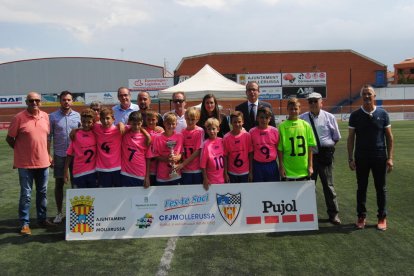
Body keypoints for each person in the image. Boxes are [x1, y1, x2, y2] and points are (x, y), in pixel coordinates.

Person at [6, 92, 54, 235]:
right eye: (31, 100)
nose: (34, 103)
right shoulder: (18, 118)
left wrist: (48, 154)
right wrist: (21, 150)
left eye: (37, 100)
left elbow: (46, 138)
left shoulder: (45, 116)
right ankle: (24, 224)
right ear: (26, 102)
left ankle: (42, 219)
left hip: (43, 163)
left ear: (41, 102)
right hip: (25, 164)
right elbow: (10, 139)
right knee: (26, 194)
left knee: (42, 192)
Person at [347, 84, 394, 231]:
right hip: (361, 156)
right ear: (362, 97)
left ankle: (382, 217)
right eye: (365, 94)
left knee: (381, 188)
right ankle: (361, 216)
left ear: (374, 96)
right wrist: (350, 158)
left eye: (370, 94)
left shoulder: (383, 114)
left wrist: (390, 158)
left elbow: (389, 137)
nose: (367, 96)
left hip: (380, 155)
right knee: (361, 188)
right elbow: (350, 138)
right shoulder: (355, 115)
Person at [300, 92, 342, 225]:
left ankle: (333, 214)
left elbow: (336, 137)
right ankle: (306, 214)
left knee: (328, 186)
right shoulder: (302, 118)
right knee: (307, 187)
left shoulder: (329, 117)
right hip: (308, 157)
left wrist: (327, 149)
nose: (312, 104)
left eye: (315, 101)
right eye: (310, 101)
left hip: (325, 156)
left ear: (321, 102)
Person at [48, 90, 81, 224]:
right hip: (60, 155)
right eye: (63, 100)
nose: (66, 102)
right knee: (59, 184)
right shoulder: (53, 117)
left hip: (76, 156)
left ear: (72, 101)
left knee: (75, 183)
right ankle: (59, 213)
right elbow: (48, 137)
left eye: (68, 99)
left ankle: (76, 213)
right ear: (60, 101)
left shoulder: (78, 116)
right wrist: (48, 154)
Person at [278, 98, 316, 181]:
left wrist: (310, 166)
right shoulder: (282, 126)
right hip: (288, 170)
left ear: (299, 109)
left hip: (303, 169)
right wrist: (281, 166)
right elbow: (280, 149)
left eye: (296, 109)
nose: (293, 111)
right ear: (287, 109)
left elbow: (310, 147)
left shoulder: (306, 125)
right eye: (291, 109)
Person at [64, 108, 97, 188]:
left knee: (93, 198)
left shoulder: (96, 133)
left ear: (93, 122)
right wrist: (65, 170)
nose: (86, 124)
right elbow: (69, 154)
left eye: (89, 122)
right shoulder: (76, 134)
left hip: (93, 172)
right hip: (79, 172)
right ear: (81, 121)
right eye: (84, 122)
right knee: (80, 198)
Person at [148, 112, 183, 185]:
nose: (170, 126)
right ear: (164, 123)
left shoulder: (180, 136)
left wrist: (178, 157)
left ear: (176, 124)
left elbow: (181, 152)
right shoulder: (157, 137)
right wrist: (166, 159)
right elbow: (155, 155)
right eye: (168, 123)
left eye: (173, 124)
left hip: (176, 173)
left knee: (176, 195)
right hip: (162, 175)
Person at [93, 108, 124, 187]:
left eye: (107, 118)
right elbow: (86, 126)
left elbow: (135, 127)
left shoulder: (119, 129)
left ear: (113, 119)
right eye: (103, 119)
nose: (105, 121)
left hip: (117, 168)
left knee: (118, 193)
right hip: (102, 169)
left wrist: (121, 123)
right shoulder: (96, 128)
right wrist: (75, 130)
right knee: (105, 194)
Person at [121, 111, 151, 187]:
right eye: (134, 124)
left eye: (139, 124)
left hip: (140, 173)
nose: (136, 127)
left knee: (138, 198)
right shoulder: (125, 134)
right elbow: (120, 126)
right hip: (126, 173)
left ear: (142, 122)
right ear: (129, 122)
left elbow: (148, 158)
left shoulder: (146, 138)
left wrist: (147, 177)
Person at [249, 107, 280, 182]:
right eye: (261, 117)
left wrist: (281, 166)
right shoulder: (252, 132)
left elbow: (278, 150)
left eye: (266, 118)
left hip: (271, 165)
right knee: (259, 189)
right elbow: (251, 153)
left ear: (270, 119)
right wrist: (250, 170)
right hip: (257, 165)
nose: (264, 120)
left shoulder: (274, 131)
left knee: (273, 188)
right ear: (257, 118)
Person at [177, 107, 204, 184]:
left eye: (192, 119)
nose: (190, 121)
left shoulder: (199, 131)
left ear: (197, 119)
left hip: (196, 169)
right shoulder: (182, 132)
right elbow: (181, 150)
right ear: (185, 118)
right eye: (188, 119)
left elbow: (198, 151)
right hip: (185, 170)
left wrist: (183, 164)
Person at [224, 111, 253, 183]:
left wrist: (251, 172)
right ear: (231, 122)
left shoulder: (247, 135)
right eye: (234, 122)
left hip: (245, 172)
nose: (237, 124)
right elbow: (225, 156)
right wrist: (225, 173)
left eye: (239, 122)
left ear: (243, 122)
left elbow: (250, 154)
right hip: (232, 172)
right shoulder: (226, 138)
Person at [200, 118, 226, 190]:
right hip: (211, 181)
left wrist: (225, 174)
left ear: (218, 129)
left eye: (213, 129)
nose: (211, 131)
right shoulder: (205, 144)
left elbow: (225, 158)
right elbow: (202, 165)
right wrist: (205, 178)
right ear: (206, 130)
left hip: (222, 179)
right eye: (209, 129)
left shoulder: (222, 141)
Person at [144, 110, 164, 186]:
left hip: (160, 168)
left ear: (157, 120)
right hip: (147, 168)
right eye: (148, 120)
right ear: (145, 120)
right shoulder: (143, 130)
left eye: (153, 120)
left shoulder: (161, 130)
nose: (151, 122)